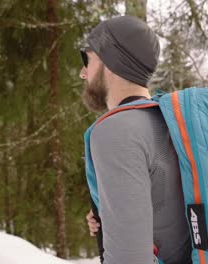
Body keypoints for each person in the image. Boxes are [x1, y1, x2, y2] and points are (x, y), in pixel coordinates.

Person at [79, 16, 192, 264]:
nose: (83, 73)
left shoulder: (117, 131)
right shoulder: (169, 120)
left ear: (109, 59)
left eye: (87, 59)